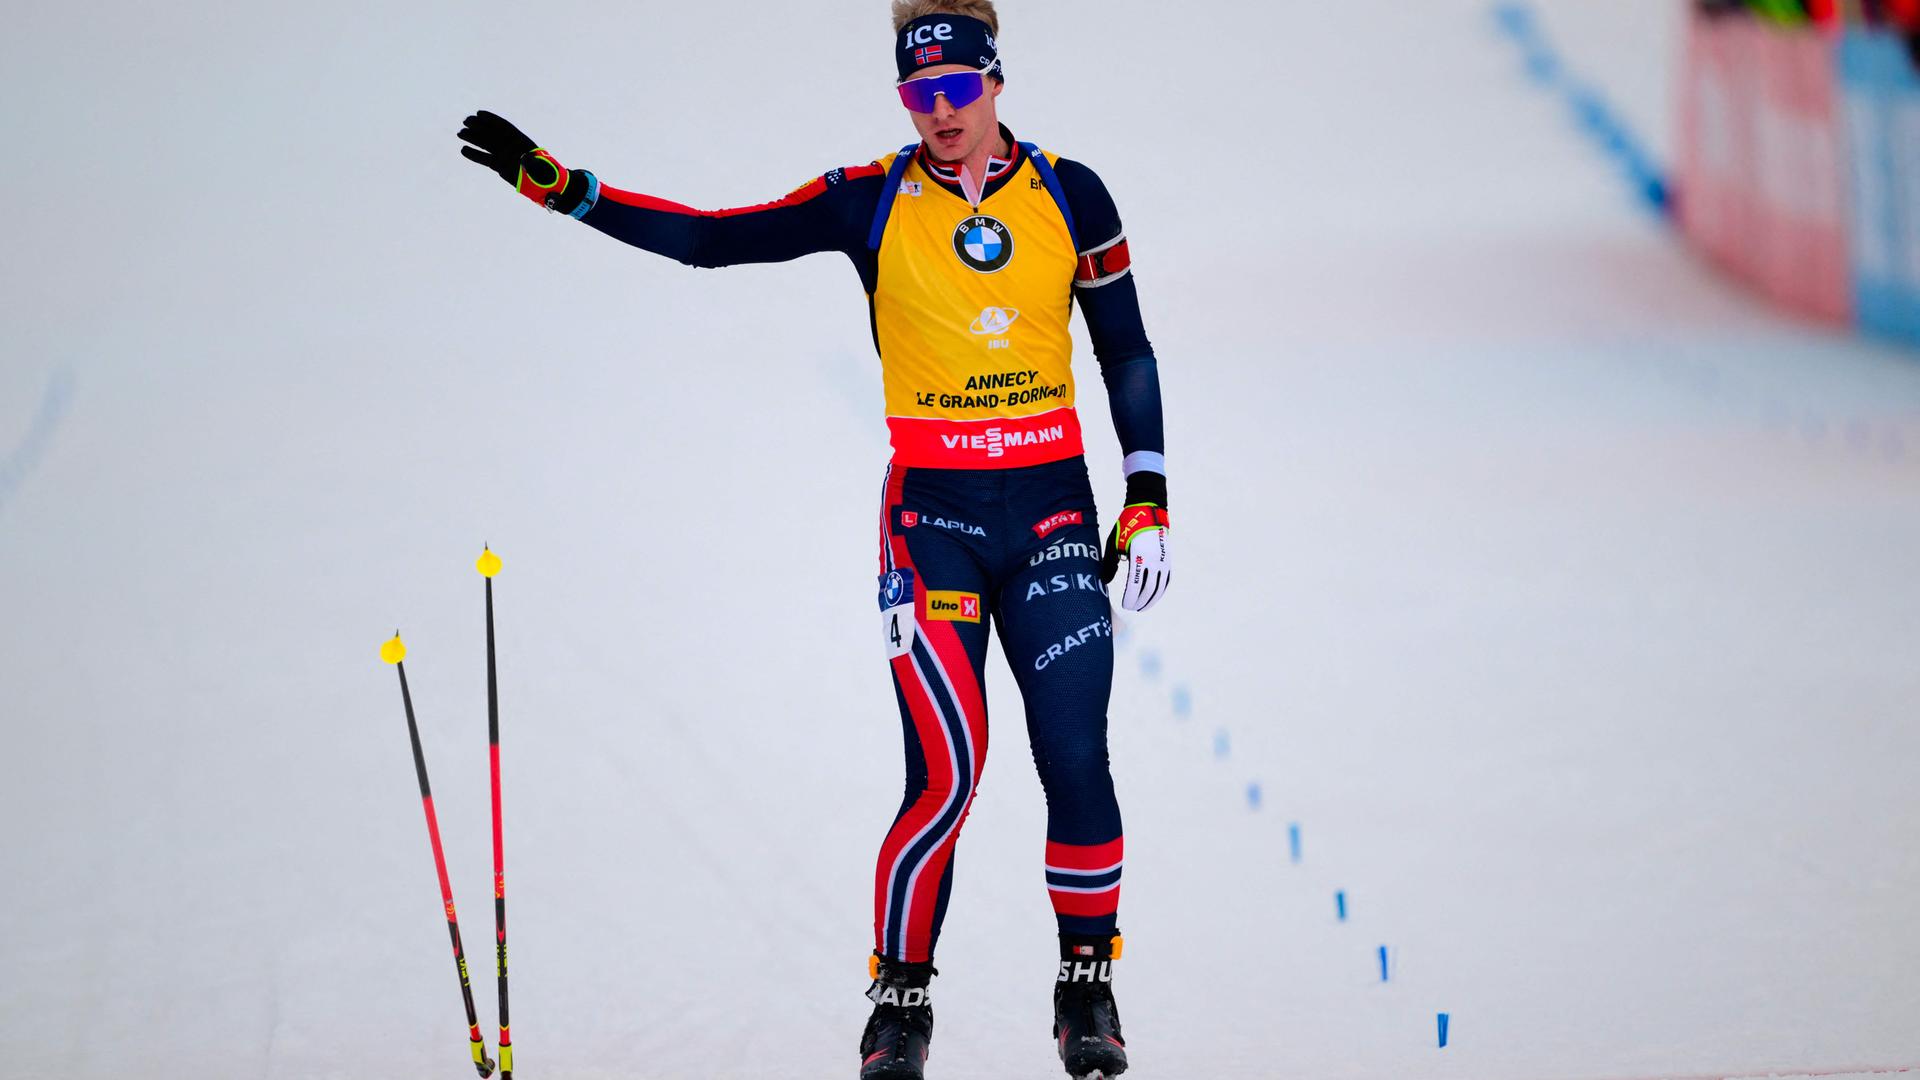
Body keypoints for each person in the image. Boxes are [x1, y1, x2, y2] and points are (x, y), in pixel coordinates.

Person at [457, 2, 1168, 1076]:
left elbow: (1126, 350)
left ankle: (1086, 991)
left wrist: (1149, 492)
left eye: (956, 91)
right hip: (934, 525)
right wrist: (566, 190)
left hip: (1057, 517)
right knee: (947, 773)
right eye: (917, 95)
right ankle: (900, 1006)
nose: (939, 114)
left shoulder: (1074, 192)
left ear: (995, 80)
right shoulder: (868, 198)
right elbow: (710, 238)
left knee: (1075, 757)